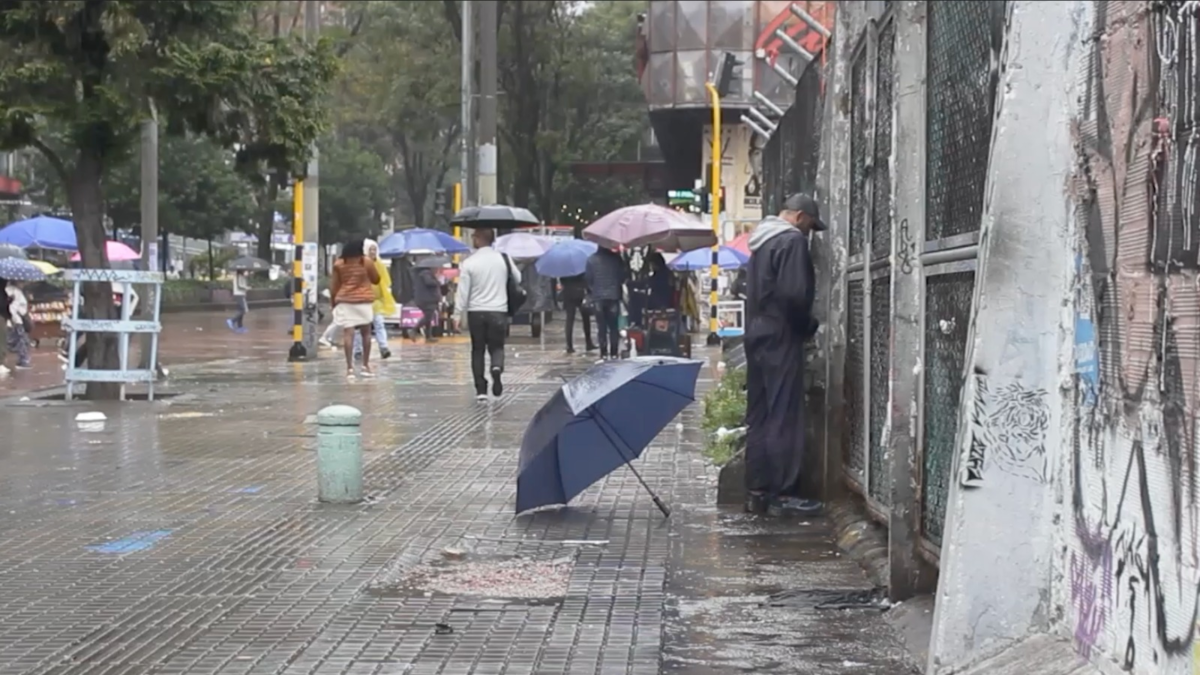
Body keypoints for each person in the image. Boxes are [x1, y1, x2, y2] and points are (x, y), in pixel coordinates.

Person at [743, 193, 826, 517]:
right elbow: (794, 295)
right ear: (800, 217)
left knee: (760, 412)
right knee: (784, 413)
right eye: (810, 226)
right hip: (781, 333)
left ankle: (758, 491)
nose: (809, 233)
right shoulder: (791, 241)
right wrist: (807, 325)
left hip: (756, 332)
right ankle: (784, 494)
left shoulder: (761, 242)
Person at [455, 228, 519, 400]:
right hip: (498, 310)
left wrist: (457, 314)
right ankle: (496, 367)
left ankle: (481, 390)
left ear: (478, 239)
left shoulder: (470, 262)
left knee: (478, 350)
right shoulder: (503, 259)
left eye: (474, 236)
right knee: (497, 346)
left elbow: (463, 291)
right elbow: (518, 278)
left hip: (476, 312)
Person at [330, 239, 381, 380]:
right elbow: (376, 279)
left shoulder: (339, 264)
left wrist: (333, 303)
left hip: (346, 300)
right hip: (364, 300)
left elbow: (334, 286)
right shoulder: (366, 262)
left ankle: (349, 369)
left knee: (348, 334)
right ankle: (365, 366)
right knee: (366, 334)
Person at [352, 240, 393, 360]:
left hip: (376, 301)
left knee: (379, 324)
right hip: (362, 301)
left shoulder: (380, 264)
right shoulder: (360, 264)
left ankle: (384, 348)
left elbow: (385, 281)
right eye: (370, 249)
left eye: (375, 249)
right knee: (360, 326)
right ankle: (358, 350)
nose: (373, 252)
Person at [585, 245, 625, 360]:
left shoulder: (591, 259)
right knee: (614, 327)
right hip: (613, 296)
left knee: (601, 327)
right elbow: (622, 277)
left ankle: (603, 352)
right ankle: (614, 352)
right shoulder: (616, 259)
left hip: (598, 297)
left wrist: (593, 291)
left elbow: (588, 279)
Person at [560, 273, 595, 355]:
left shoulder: (564, 269)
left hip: (568, 293)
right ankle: (588, 342)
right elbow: (586, 279)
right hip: (580, 292)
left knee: (569, 319)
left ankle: (569, 345)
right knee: (585, 318)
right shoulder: (580, 268)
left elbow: (562, 280)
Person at [411, 261, 442, 342]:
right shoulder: (426, 273)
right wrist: (437, 281)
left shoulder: (424, 274)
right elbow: (429, 283)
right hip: (427, 299)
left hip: (426, 299)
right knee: (428, 317)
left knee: (429, 318)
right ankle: (414, 330)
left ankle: (428, 336)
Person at [5, 281, 31, 371]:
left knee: (10, 341)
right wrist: (14, 318)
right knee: (21, 341)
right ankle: (23, 361)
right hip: (16, 321)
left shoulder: (6, 290)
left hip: (8, 321)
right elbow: (14, 308)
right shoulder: (16, 292)